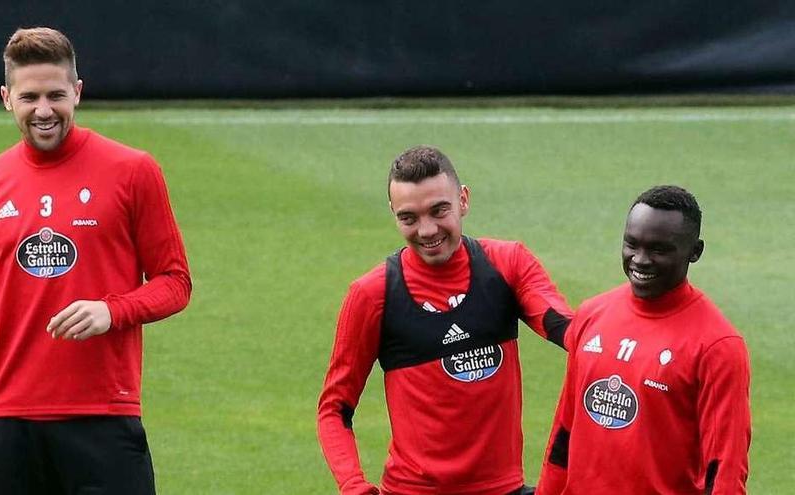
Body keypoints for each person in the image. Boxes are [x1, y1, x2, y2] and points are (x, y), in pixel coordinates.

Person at [0, 27, 191, 495]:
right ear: (5, 98)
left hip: (105, 420)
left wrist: (112, 310)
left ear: (77, 91)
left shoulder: (133, 171)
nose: (43, 110)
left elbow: (175, 282)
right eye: (28, 96)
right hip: (13, 426)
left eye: (56, 95)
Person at [317, 145, 572, 495]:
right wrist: (352, 485)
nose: (426, 230)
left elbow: (564, 327)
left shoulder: (507, 263)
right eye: (409, 217)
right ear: (393, 213)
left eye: (439, 210)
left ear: (463, 199)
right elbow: (334, 408)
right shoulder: (373, 294)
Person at [536, 185, 751, 494]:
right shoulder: (592, 314)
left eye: (659, 249)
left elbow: (725, 468)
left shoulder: (718, 346)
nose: (640, 260)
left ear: (695, 251)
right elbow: (564, 432)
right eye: (631, 244)